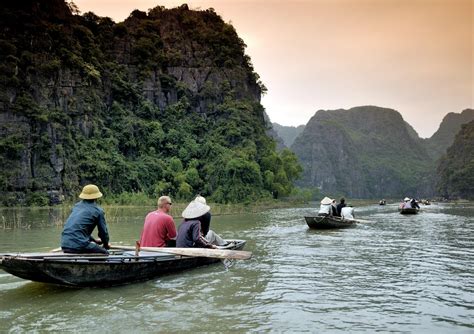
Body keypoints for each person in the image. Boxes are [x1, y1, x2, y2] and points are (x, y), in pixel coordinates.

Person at [61, 184, 110, 254]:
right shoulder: (98, 211)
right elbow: (103, 233)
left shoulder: (76, 207)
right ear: (97, 197)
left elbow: (79, 230)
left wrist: (95, 241)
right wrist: (106, 245)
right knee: (105, 253)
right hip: (79, 245)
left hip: (65, 244)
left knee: (91, 248)